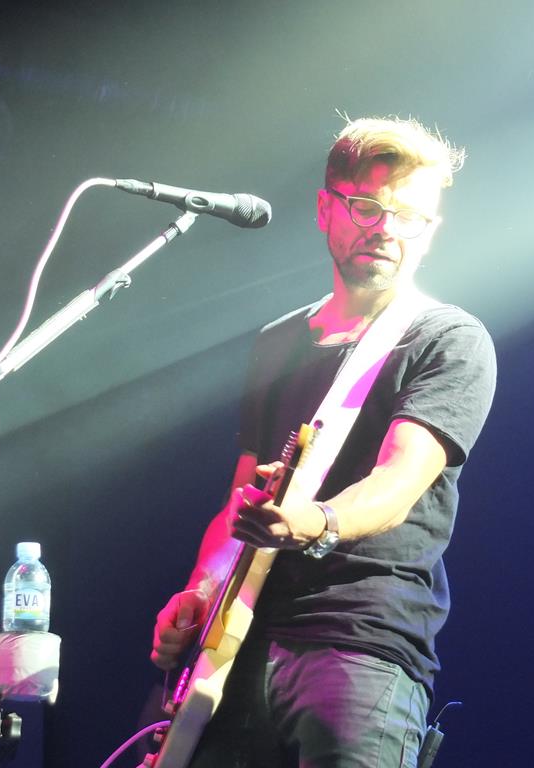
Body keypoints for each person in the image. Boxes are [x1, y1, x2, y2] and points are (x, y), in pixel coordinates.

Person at [151, 115, 496, 768]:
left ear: (430, 230)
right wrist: (198, 593)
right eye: (367, 206)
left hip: (356, 642)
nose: (386, 229)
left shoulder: (447, 339)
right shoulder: (278, 342)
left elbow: (398, 481)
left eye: (409, 217)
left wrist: (313, 522)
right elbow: (240, 500)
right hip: (236, 645)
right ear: (325, 208)